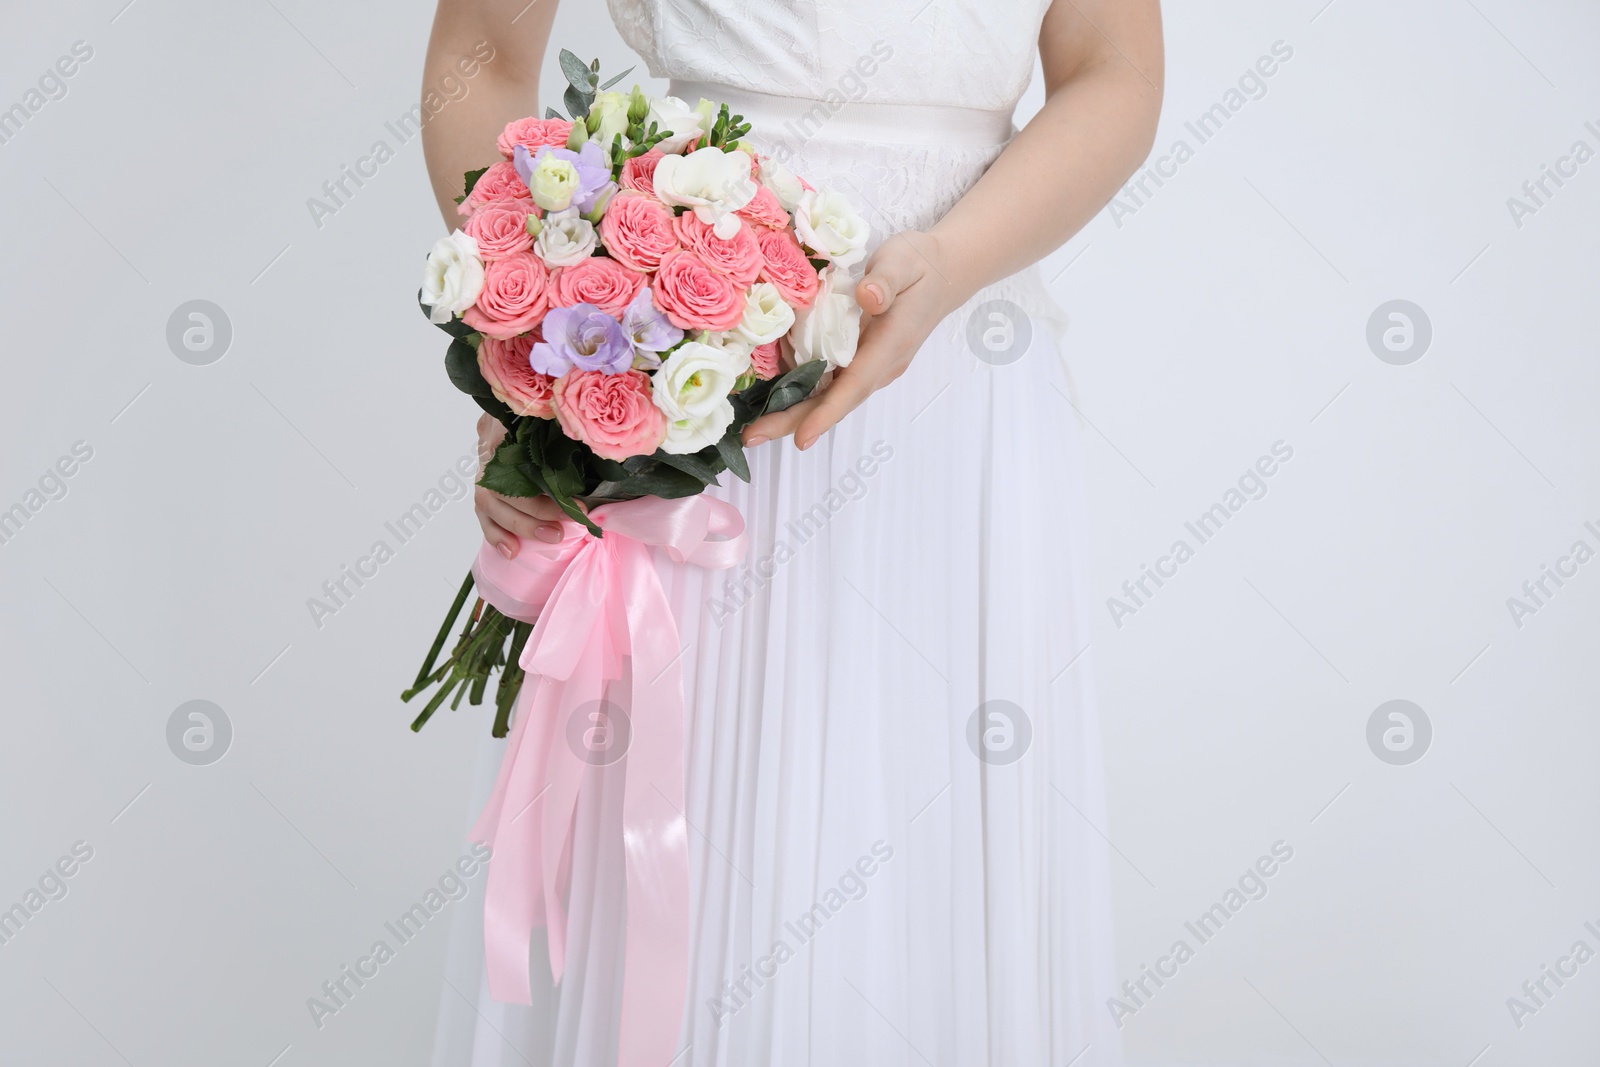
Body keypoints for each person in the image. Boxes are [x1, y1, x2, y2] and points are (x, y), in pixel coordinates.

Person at [421, 1, 1163, 1063]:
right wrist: (526, 347)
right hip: (693, 378)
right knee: (701, 849)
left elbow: (1115, 67)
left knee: (927, 842)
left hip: (962, 394)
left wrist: (951, 263)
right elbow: (480, 54)